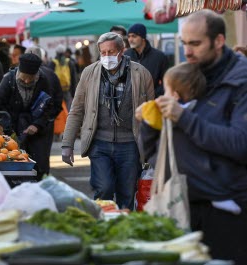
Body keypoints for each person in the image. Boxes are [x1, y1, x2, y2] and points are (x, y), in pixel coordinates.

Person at [139, 10, 247, 263]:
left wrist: (184, 117)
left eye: (195, 43)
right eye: (184, 43)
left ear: (218, 41)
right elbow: (152, 152)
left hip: (226, 211)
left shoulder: (240, 82)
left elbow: (240, 144)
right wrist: (150, 121)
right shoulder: (187, 74)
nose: (187, 51)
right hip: (180, 205)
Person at [61, 32, 154, 210]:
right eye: (103, 53)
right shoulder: (89, 73)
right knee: (103, 188)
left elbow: (150, 113)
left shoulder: (141, 74)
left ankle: (123, 232)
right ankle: (104, 223)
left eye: (111, 52)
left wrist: (152, 148)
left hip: (130, 144)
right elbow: (77, 110)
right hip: (99, 143)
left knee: (126, 193)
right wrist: (67, 144)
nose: (107, 56)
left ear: (122, 51)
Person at [0, 53, 54, 179]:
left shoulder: (43, 80)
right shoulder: (9, 80)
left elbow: (49, 106)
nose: (27, 81)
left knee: (39, 164)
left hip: (37, 130)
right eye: (24, 77)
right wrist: (5, 127)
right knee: (15, 162)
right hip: (13, 129)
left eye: (31, 78)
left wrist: (37, 125)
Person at [25, 46, 63, 175]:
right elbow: (57, 102)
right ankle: (41, 184)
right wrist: (49, 119)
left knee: (24, 159)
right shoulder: (50, 74)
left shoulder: (15, 75)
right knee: (42, 159)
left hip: (25, 125)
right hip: (45, 125)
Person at [125, 23, 168, 98]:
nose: (130, 39)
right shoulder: (126, 55)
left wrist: (153, 94)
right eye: (129, 36)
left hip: (152, 101)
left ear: (143, 37)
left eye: (134, 36)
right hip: (131, 102)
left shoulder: (159, 56)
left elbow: (167, 81)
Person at [49, 44, 77, 110]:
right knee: (68, 108)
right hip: (67, 90)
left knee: (58, 109)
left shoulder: (52, 63)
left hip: (56, 91)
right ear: (64, 52)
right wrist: (74, 93)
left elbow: (50, 78)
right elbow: (73, 79)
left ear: (56, 52)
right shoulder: (69, 62)